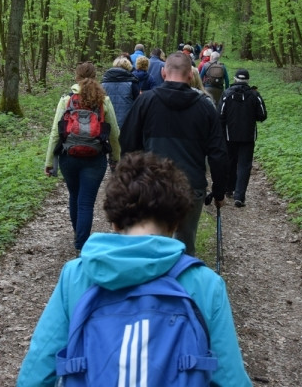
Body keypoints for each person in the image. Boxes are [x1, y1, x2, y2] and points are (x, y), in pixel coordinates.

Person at [16, 152, 252, 387]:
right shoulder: (206, 283)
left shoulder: (76, 276)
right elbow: (230, 378)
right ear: (175, 224)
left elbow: (37, 370)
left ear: (114, 222)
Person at [120, 52, 230, 255]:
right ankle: (181, 281)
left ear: (163, 72)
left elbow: (127, 143)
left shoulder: (146, 102)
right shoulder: (205, 107)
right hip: (191, 185)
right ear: (190, 75)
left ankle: (155, 283)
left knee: (154, 243)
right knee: (185, 244)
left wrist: (129, 182)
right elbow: (218, 153)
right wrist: (219, 191)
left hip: (153, 185)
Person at [45, 62, 121, 251]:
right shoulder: (103, 100)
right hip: (95, 158)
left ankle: (78, 236)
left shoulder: (66, 100)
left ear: (76, 77)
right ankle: (82, 245)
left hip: (68, 156)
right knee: (86, 201)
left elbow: (56, 132)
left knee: (74, 196)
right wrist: (116, 158)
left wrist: (49, 162)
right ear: (96, 76)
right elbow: (114, 133)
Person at [219, 69, 267, 208]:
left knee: (231, 161)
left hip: (229, 136)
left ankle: (229, 189)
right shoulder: (254, 95)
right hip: (248, 137)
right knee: (244, 165)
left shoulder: (227, 94)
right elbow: (262, 115)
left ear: (234, 79)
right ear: (247, 80)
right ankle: (239, 196)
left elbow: (220, 114)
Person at [100, 56, 140, 130]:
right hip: (127, 120)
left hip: (108, 119)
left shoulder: (103, 83)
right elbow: (138, 102)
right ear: (128, 67)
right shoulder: (132, 83)